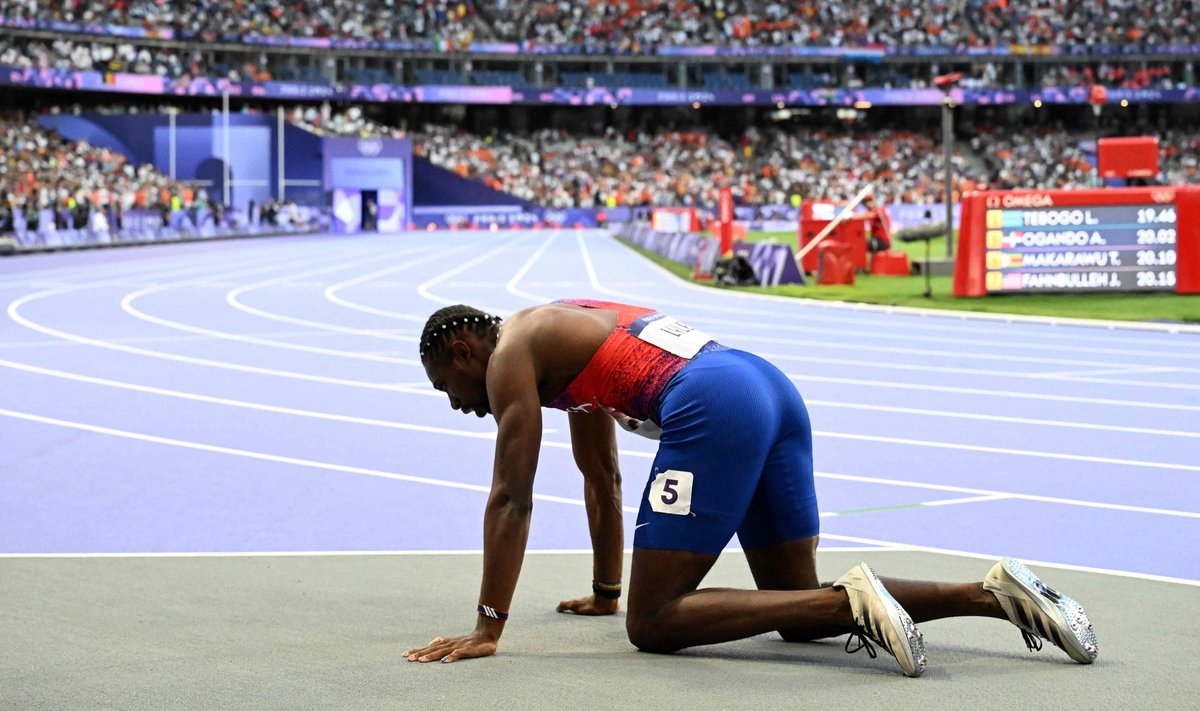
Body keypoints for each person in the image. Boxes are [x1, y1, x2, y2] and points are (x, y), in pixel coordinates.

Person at [405, 299, 1098, 676]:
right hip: (766, 386)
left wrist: (486, 625)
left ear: (465, 352)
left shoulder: (509, 356)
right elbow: (602, 477)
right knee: (798, 605)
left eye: (447, 386)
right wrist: (606, 592)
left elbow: (511, 496)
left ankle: (854, 600)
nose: (456, 402)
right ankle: (994, 593)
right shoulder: (557, 341)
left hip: (714, 401)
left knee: (654, 623)